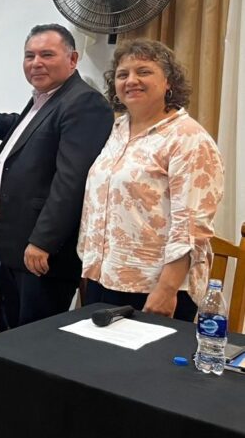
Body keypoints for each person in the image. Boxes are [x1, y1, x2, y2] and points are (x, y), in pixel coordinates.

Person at [78, 38, 224, 320]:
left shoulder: (188, 138)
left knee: (140, 365)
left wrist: (167, 289)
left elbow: (190, 226)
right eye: (123, 74)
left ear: (168, 82)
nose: (131, 80)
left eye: (143, 71)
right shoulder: (117, 130)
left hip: (153, 287)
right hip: (103, 278)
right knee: (97, 363)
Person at [0, 24, 114, 328]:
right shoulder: (45, 98)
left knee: (35, 337)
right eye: (29, 55)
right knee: (13, 332)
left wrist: (43, 241)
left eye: (46, 54)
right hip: (10, 242)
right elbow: (23, 135)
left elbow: (72, 181)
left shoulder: (84, 102)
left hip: (41, 252)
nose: (36, 62)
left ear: (73, 59)